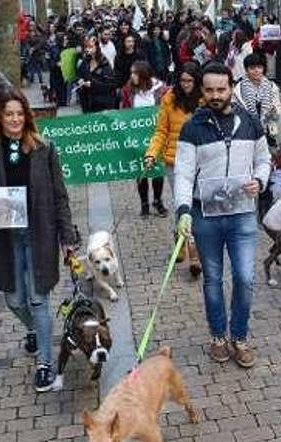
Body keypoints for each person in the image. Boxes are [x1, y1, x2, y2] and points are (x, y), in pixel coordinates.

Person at [0, 90, 77, 392]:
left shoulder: (44, 149)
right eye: (8, 113)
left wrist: (68, 238)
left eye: (20, 113)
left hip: (39, 234)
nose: (15, 119)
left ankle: (45, 363)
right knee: (14, 300)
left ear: (27, 116)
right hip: (4, 236)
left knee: (38, 299)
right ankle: (33, 330)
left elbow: (59, 196)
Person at [173, 62, 271, 368]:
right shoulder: (192, 128)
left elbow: (264, 160)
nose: (216, 95)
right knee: (212, 279)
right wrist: (183, 210)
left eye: (221, 89)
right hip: (205, 216)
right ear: (202, 91)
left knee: (244, 278)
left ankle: (239, 337)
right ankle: (218, 336)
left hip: (242, 214)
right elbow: (184, 174)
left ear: (231, 87)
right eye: (210, 90)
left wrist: (261, 179)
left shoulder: (251, 123)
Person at [144, 61, 203, 275]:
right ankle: (191, 251)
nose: (186, 84)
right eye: (182, 80)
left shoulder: (204, 100)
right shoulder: (169, 98)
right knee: (182, 203)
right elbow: (161, 131)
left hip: (200, 161)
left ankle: (186, 241)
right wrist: (151, 154)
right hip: (174, 162)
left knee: (195, 206)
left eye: (190, 81)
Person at [122, 60, 167, 216]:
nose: (132, 76)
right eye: (131, 73)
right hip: (137, 137)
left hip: (156, 136)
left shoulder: (161, 90)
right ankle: (144, 203)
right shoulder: (128, 91)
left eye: (136, 73)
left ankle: (157, 200)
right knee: (140, 170)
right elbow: (125, 112)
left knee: (157, 170)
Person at [234, 53, 281, 147]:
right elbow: (235, 111)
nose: (256, 71)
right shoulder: (239, 89)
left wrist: (273, 112)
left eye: (259, 67)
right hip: (246, 133)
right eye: (252, 68)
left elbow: (277, 112)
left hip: (267, 131)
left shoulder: (271, 87)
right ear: (246, 70)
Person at [76, 39, 118, 113]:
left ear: (97, 47)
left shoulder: (104, 63)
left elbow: (110, 85)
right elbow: (79, 75)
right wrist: (80, 80)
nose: (88, 49)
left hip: (103, 103)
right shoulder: (85, 62)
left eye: (91, 47)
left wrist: (92, 84)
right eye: (86, 47)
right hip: (87, 101)